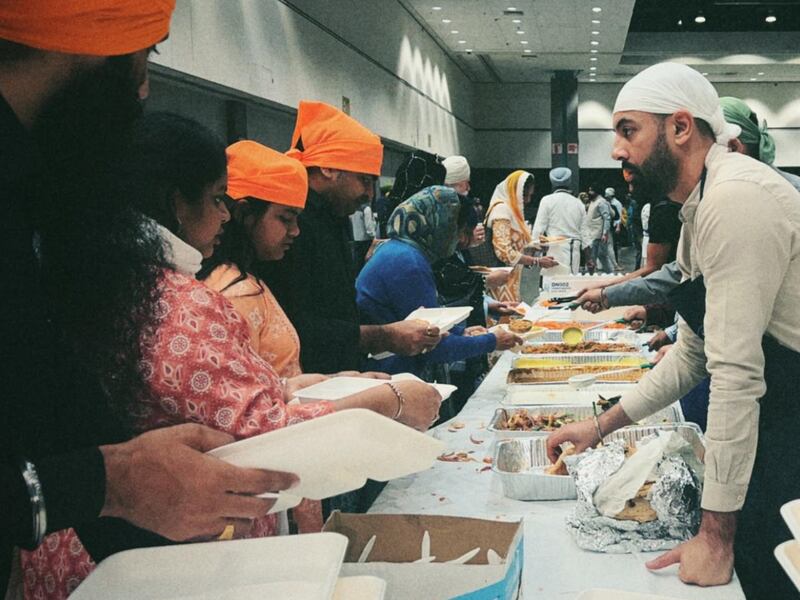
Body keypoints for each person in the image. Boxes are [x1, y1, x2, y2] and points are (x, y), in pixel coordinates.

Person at [24, 117, 444, 599]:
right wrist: (391, 399)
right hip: (185, 548)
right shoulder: (178, 300)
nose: (224, 216)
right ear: (176, 204)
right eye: (217, 199)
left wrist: (296, 385)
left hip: (117, 544)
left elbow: (211, 393)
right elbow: (267, 431)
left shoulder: (102, 286)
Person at [0, 3, 304, 596]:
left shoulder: (34, 199)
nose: (142, 90)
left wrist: (133, 495)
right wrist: (111, 483)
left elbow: (48, 397)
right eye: (145, 55)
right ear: (86, 39)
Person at [547, 62, 800, 599]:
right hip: (779, 408)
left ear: (681, 127)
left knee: (769, 569)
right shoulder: (697, 206)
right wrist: (600, 428)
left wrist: (714, 536)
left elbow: (734, 377)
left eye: (627, 130)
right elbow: (692, 355)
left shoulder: (737, 198)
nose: (615, 151)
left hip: (791, 414)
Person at [258, 102, 442, 374]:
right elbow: (296, 325)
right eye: (364, 180)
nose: (369, 195)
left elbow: (338, 307)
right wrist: (384, 335)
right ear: (329, 169)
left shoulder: (334, 219)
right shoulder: (296, 227)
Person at [356, 186, 521, 377]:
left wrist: (460, 333)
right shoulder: (408, 261)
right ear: (442, 226)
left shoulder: (400, 250)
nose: (462, 241)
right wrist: (492, 341)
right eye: (460, 232)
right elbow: (429, 344)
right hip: (388, 370)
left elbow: (419, 325)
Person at [486, 170, 557, 302]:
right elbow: (504, 253)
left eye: (530, 195)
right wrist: (537, 261)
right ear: (514, 192)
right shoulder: (501, 210)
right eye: (524, 195)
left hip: (511, 278)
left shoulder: (512, 211)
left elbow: (515, 246)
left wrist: (534, 248)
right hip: (501, 280)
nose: (527, 200)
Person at [531, 167, 586, 274]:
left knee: (551, 283)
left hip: (552, 249)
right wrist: (589, 257)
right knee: (570, 283)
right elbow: (585, 233)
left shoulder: (546, 200)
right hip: (573, 248)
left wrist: (534, 253)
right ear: (569, 182)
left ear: (552, 183)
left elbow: (538, 230)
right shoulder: (578, 203)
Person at [581, 184, 614, 273]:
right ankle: (609, 275)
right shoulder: (593, 201)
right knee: (598, 257)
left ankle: (610, 275)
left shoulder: (601, 202)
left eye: (591, 190)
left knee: (599, 257)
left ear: (597, 191)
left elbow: (606, 218)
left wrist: (605, 233)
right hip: (591, 234)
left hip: (598, 235)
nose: (589, 192)